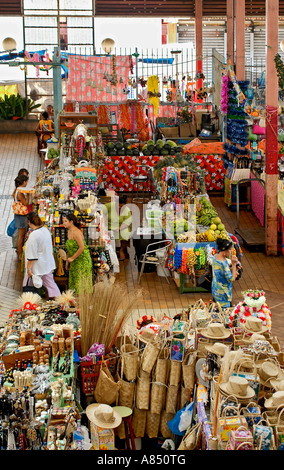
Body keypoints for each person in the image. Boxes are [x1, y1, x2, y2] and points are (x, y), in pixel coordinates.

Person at [23, 212, 61, 299]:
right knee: (51, 285)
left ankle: (29, 304)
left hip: (37, 267)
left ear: (29, 222)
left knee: (28, 286)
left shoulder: (34, 235)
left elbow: (32, 255)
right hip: (47, 264)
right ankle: (60, 302)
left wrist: (29, 269)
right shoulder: (45, 230)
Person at [62, 213, 93, 295]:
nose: (63, 223)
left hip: (82, 260)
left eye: (65, 221)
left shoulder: (76, 232)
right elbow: (69, 248)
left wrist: (72, 258)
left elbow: (82, 247)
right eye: (63, 221)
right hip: (74, 260)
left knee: (81, 283)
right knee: (74, 282)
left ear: (71, 222)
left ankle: (83, 302)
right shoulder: (69, 232)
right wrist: (68, 262)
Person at [211, 237, 238, 309]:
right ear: (224, 250)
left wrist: (233, 268)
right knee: (224, 313)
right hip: (223, 294)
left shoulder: (215, 257)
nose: (231, 251)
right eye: (229, 249)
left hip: (215, 288)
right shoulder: (224, 264)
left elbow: (222, 272)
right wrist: (234, 264)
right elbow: (232, 279)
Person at [12, 174, 29, 260]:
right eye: (26, 182)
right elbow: (25, 203)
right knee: (21, 235)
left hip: (17, 215)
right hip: (21, 216)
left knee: (20, 234)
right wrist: (28, 195)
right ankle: (20, 254)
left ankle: (20, 253)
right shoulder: (20, 192)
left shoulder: (16, 190)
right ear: (24, 182)